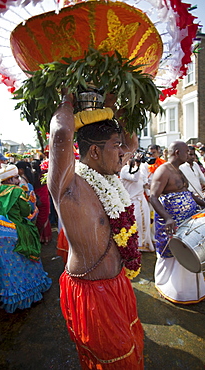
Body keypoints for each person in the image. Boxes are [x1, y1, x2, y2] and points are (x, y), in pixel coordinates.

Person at [48, 93, 144, 369]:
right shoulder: (68, 186)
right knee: (114, 361)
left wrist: (112, 107)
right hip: (91, 294)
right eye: (117, 147)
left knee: (132, 350)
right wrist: (67, 99)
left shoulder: (109, 176)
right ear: (94, 152)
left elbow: (133, 141)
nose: (125, 154)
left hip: (120, 284)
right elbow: (62, 133)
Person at [0, 163, 52, 313]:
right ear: (9, 180)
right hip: (10, 232)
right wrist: (32, 206)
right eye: (15, 177)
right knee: (21, 263)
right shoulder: (17, 191)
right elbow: (26, 212)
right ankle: (24, 295)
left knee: (2, 266)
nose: (18, 180)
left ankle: (3, 293)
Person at [150, 140, 205, 305]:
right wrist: (168, 217)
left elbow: (188, 193)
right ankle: (167, 287)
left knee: (189, 252)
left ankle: (191, 291)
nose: (189, 154)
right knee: (173, 254)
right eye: (186, 151)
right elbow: (154, 197)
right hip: (172, 223)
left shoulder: (180, 170)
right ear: (177, 152)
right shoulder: (163, 170)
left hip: (188, 220)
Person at [120, 156, 154, 252]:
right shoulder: (124, 170)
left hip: (142, 200)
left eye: (133, 158)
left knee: (146, 223)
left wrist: (147, 187)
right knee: (137, 224)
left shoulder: (139, 169)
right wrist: (137, 165)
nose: (133, 160)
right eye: (130, 158)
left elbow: (142, 182)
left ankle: (145, 245)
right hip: (132, 202)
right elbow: (134, 178)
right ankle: (137, 246)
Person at [31, 159, 52, 244]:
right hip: (44, 197)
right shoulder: (44, 174)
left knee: (37, 217)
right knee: (44, 217)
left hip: (35, 198)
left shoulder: (31, 175)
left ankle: (38, 237)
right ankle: (44, 238)